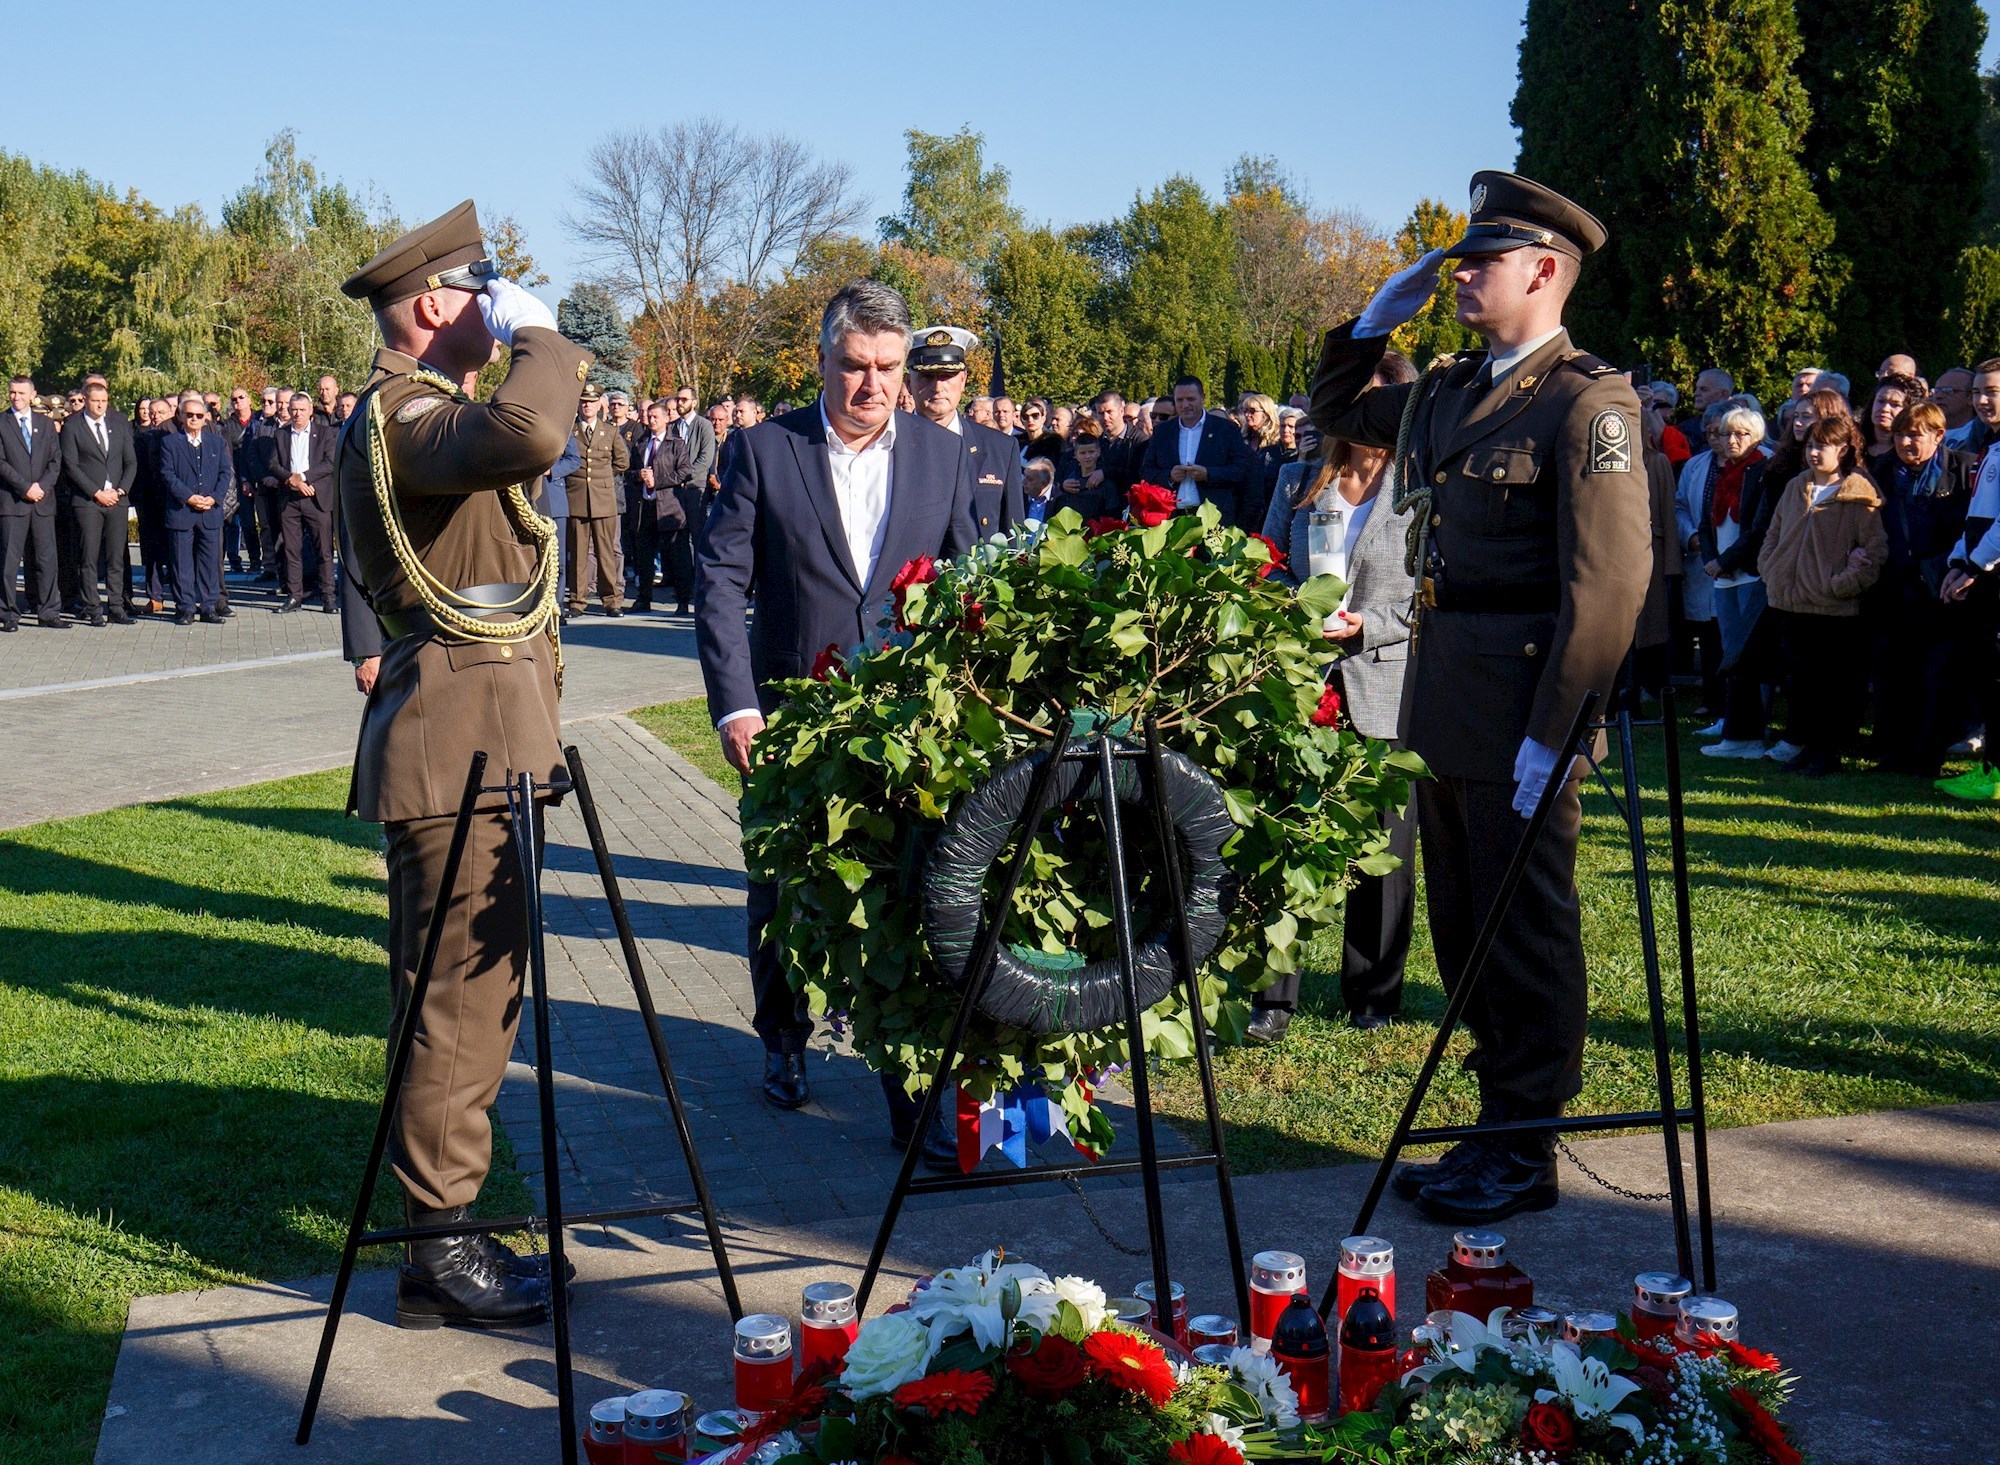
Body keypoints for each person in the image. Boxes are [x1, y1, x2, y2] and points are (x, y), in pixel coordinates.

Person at [1310, 171, 1651, 1224]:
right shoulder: (1452, 388)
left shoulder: (1586, 401)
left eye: (1480, 262)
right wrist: (1373, 322)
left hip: (1520, 705)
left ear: (1542, 271)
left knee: (1524, 924)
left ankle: (1523, 1136)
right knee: (1460, 923)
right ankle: (1493, 1116)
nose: (1458, 276)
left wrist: (1558, 732)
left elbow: (1608, 581)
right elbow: (1337, 412)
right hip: (1442, 690)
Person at [335, 199, 587, 1330]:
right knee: (455, 999)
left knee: (478, 994)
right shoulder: (405, 416)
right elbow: (534, 433)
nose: (495, 305)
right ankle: (436, 1237)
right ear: (437, 302)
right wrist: (543, 335)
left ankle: (444, 1232)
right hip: (453, 741)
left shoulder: (431, 411)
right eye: (481, 288)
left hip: (483, 733)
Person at [695, 279, 977, 1117]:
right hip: (788, 722)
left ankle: (900, 1077)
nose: (874, 386)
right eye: (856, 366)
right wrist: (735, 704)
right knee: (782, 889)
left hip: (906, 724)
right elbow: (720, 585)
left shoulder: (944, 455)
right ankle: (784, 1039)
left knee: (904, 887)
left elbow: (970, 587)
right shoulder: (763, 451)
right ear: (821, 361)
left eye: (889, 367)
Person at [1253, 351, 1420, 1041]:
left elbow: (1429, 597)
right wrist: (1288, 607)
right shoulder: (1298, 478)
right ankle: (1272, 995)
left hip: (1383, 681)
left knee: (1383, 849)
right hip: (1303, 686)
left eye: (1384, 400)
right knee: (1284, 836)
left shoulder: (1417, 488)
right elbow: (1263, 563)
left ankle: (1373, 993)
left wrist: (1366, 626)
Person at [1757, 416, 1887, 776]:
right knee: (1801, 683)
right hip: (1789, 601)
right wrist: (1770, 568)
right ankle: (1806, 747)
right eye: (1811, 445)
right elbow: (1774, 532)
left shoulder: (1858, 495)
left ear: (1843, 450)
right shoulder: (1797, 487)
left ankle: (1826, 751)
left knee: (1830, 685)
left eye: (1823, 446)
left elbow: (1874, 550)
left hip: (1833, 609)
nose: (1814, 452)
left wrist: (1840, 584)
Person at [1866, 400, 1978, 776]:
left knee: (1937, 675)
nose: (1905, 442)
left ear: (1939, 435)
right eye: (1899, 434)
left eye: (1915, 434)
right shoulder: (1880, 471)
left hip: (1942, 587)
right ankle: (1894, 753)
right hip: (1892, 586)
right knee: (1893, 673)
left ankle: (1928, 756)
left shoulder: (1964, 470)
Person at [1691, 404, 1777, 760]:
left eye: (1740, 433)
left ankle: (1755, 728)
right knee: (1731, 652)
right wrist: (1712, 561)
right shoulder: (1719, 470)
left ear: (1755, 435)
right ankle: (1734, 722)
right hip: (1723, 576)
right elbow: (1705, 522)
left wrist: (1727, 561)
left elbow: (1759, 528)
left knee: (1751, 653)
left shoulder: (1762, 469)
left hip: (1750, 573)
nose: (1731, 440)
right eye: (1726, 433)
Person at [905, 325, 1024, 539]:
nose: (938, 387)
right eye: (926, 376)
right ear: (908, 382)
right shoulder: (887, 444)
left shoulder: (1001, 449)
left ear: (963, 380)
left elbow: (1013, 536)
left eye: (947, 375)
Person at [57, 377, 137, 626]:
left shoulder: (119, 424)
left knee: (115, 558)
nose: (100, 405)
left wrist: (121, 490)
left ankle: (115, 606)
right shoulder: (73, 426)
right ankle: (92, 607)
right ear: (86, 400)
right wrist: (95, 492)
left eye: (104, 401)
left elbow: (130, 462)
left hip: (117, 501)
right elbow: (70, 466)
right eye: (95, 401)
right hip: (87, 502)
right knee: (88, 557)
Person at [158, 392, 232, 625]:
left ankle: (209, 606)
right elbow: (167, 475)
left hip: (210, 511)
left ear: (205, 418)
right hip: (182, 512)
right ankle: (185, 608)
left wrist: (214, 498)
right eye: (189, 415)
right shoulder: (169, 443)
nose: (193, 419)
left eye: (198, 415)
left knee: (210, 563)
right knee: (181, 564)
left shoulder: (216, 442)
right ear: (180, 416)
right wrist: (189, 497)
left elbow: (225, 472)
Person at [1, 376, 66, 630]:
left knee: (46, 559)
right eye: (12, 392)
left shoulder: (45, 424)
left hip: (42, 502)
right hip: (12, 503)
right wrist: (24, 487)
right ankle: (7, 614)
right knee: (8, 561)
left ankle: (48, 611)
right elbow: (1, 462)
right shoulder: (1, 422)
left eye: (20, 393)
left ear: (32, 395)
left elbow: (55, 460)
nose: (15, 397)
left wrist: (42, 486)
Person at [1140, 376, 1252, 524]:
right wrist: (1169, 476)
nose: (1185, 405)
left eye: (1190, 399)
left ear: (1203, 398)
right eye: (1180, 400)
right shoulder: (1162, 432)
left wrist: (1208, 474)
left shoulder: (1225, 429)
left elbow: (1240, 469)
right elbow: (1146, 471)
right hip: (1172, 517)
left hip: (1214, 517)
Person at [265, 387, 338, 613]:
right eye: (293, 409)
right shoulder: (281, 434)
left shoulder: (325, 434)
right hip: (290, 499)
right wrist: (291, 480)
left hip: (316, 498)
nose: (297, 414)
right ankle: (295, 595)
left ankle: (328, 597)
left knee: (324, 551)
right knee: (291, 550)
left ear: (310, 412)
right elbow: (273, 465)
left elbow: (329, 463)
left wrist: (304, 478)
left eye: (302, 410)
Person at [565, 383, 630, 617]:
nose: (587, 406)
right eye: (583, 402)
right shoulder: (569, 431)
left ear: (599, 404)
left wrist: (602, 478)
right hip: (577, 497)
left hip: (603, 500)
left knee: (606, 553)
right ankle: (577, 601)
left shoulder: (610, 431)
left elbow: (622, 462)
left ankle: (612, 601)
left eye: (591, 402)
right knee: (579, 554)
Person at [627, 398, 689, 614]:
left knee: (676, 556)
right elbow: (629, 472)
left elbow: (684, 472)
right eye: (649, 416)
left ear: (666, 419)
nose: (651, 420)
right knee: (644, 556)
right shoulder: (641, 443)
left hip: (669, 508)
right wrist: (639, 475)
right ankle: (644, 599)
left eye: (656, 417)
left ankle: (683, 601)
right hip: (645, 506)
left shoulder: (676, 444)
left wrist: (658, 479)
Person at [1237, 391, 1286, 533]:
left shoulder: (1278, 445)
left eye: (1252, 411)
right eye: (1245, 411)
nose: (1247, 415)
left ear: (1266, 414)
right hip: (1244, 506)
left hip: (1268, 508)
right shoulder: (1242, 441)